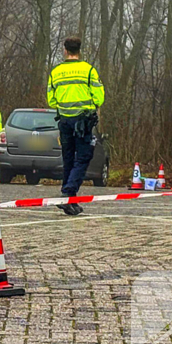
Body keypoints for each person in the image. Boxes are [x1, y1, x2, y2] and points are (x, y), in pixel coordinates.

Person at [47, 36, 105, 215]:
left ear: (65, 50)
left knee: (68, 159)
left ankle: (69, 200)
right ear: (79, 51)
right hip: (83, 121)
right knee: (84, 157)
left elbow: (51, 100)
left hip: (64, 120)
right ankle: (68, 191)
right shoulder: (88, 70)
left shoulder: (55, 71)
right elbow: (99, 97)